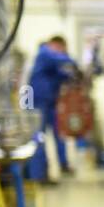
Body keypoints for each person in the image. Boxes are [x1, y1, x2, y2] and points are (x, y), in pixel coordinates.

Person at [27, 36, 78, 182]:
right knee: (39, 137)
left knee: (59, 133)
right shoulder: (44, 52)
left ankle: (63, 163)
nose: (62, 52)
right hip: (38, 102)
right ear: (54, 44)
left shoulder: (51, 59)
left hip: (50, 101)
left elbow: (61, 74)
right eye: (61, 49)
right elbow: (61, 60)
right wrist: (72, 61)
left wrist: (72, 75)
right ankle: (38, 175)